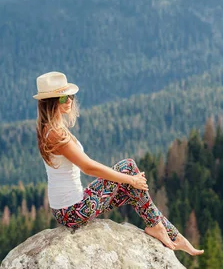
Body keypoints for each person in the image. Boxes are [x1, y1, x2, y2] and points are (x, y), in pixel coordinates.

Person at [34, 71, 203, 256]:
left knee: (131, 189)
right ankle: (166, 231)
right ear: (50, 102)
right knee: (128, 168)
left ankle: (169, 232)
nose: (69, 101)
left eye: (71, 96)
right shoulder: (55, 134)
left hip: (70, 208)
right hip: (73, 211)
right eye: (63, 98)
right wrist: (130, 180)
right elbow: (88, 167)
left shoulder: (51, 129)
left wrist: (130, 184)